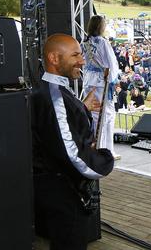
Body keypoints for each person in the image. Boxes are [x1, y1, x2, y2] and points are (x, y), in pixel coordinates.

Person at [32, 34, 114, 250]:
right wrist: (105, 159)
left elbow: (59, 127)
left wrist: (81, 108)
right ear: (54, 58)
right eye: (75, 55)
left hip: (54, 186)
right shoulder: (56, 97)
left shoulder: (51, 90)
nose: (82, 60)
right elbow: (72, 154)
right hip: (62, 190)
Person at [80, 15, 120, 159]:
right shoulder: (102, 42)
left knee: (95, 114)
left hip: (88, 81)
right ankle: (104, 149)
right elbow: (112, 63)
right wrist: (113, 79)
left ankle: (98, 147)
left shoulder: (84, 42)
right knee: (106, 115)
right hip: (101, 82)